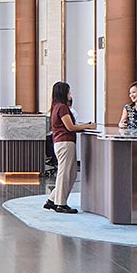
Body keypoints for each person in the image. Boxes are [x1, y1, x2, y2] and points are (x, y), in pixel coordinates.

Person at [44, 82, 94, 214]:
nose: (70, 94)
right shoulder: (62, 108)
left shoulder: (56, 107)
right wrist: (88, 126)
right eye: (69, 92)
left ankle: (52, 199)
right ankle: (61, 204)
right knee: (65, 174)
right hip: (65, 142)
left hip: (61, 142)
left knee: (70, 174)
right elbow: (70, 127)